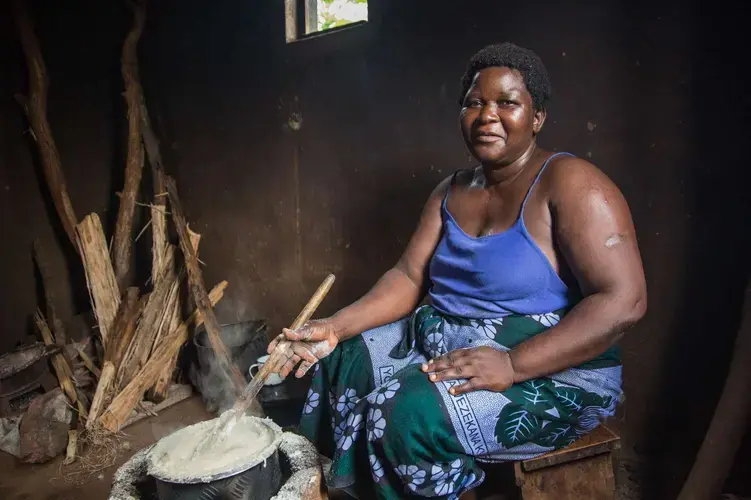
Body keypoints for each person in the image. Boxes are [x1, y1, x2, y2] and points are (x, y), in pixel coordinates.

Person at [268, 42, 647, 499]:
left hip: (550, 364)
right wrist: (333, 327)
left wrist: (513, 363)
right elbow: (409, 277)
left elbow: (623, 301)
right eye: (474, 102)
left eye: (507, 103)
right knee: (343, 361)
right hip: (449, 337)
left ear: (538, 117)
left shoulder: (572, 184)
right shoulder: (450, 190)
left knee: (405, 413)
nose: (487, 115)